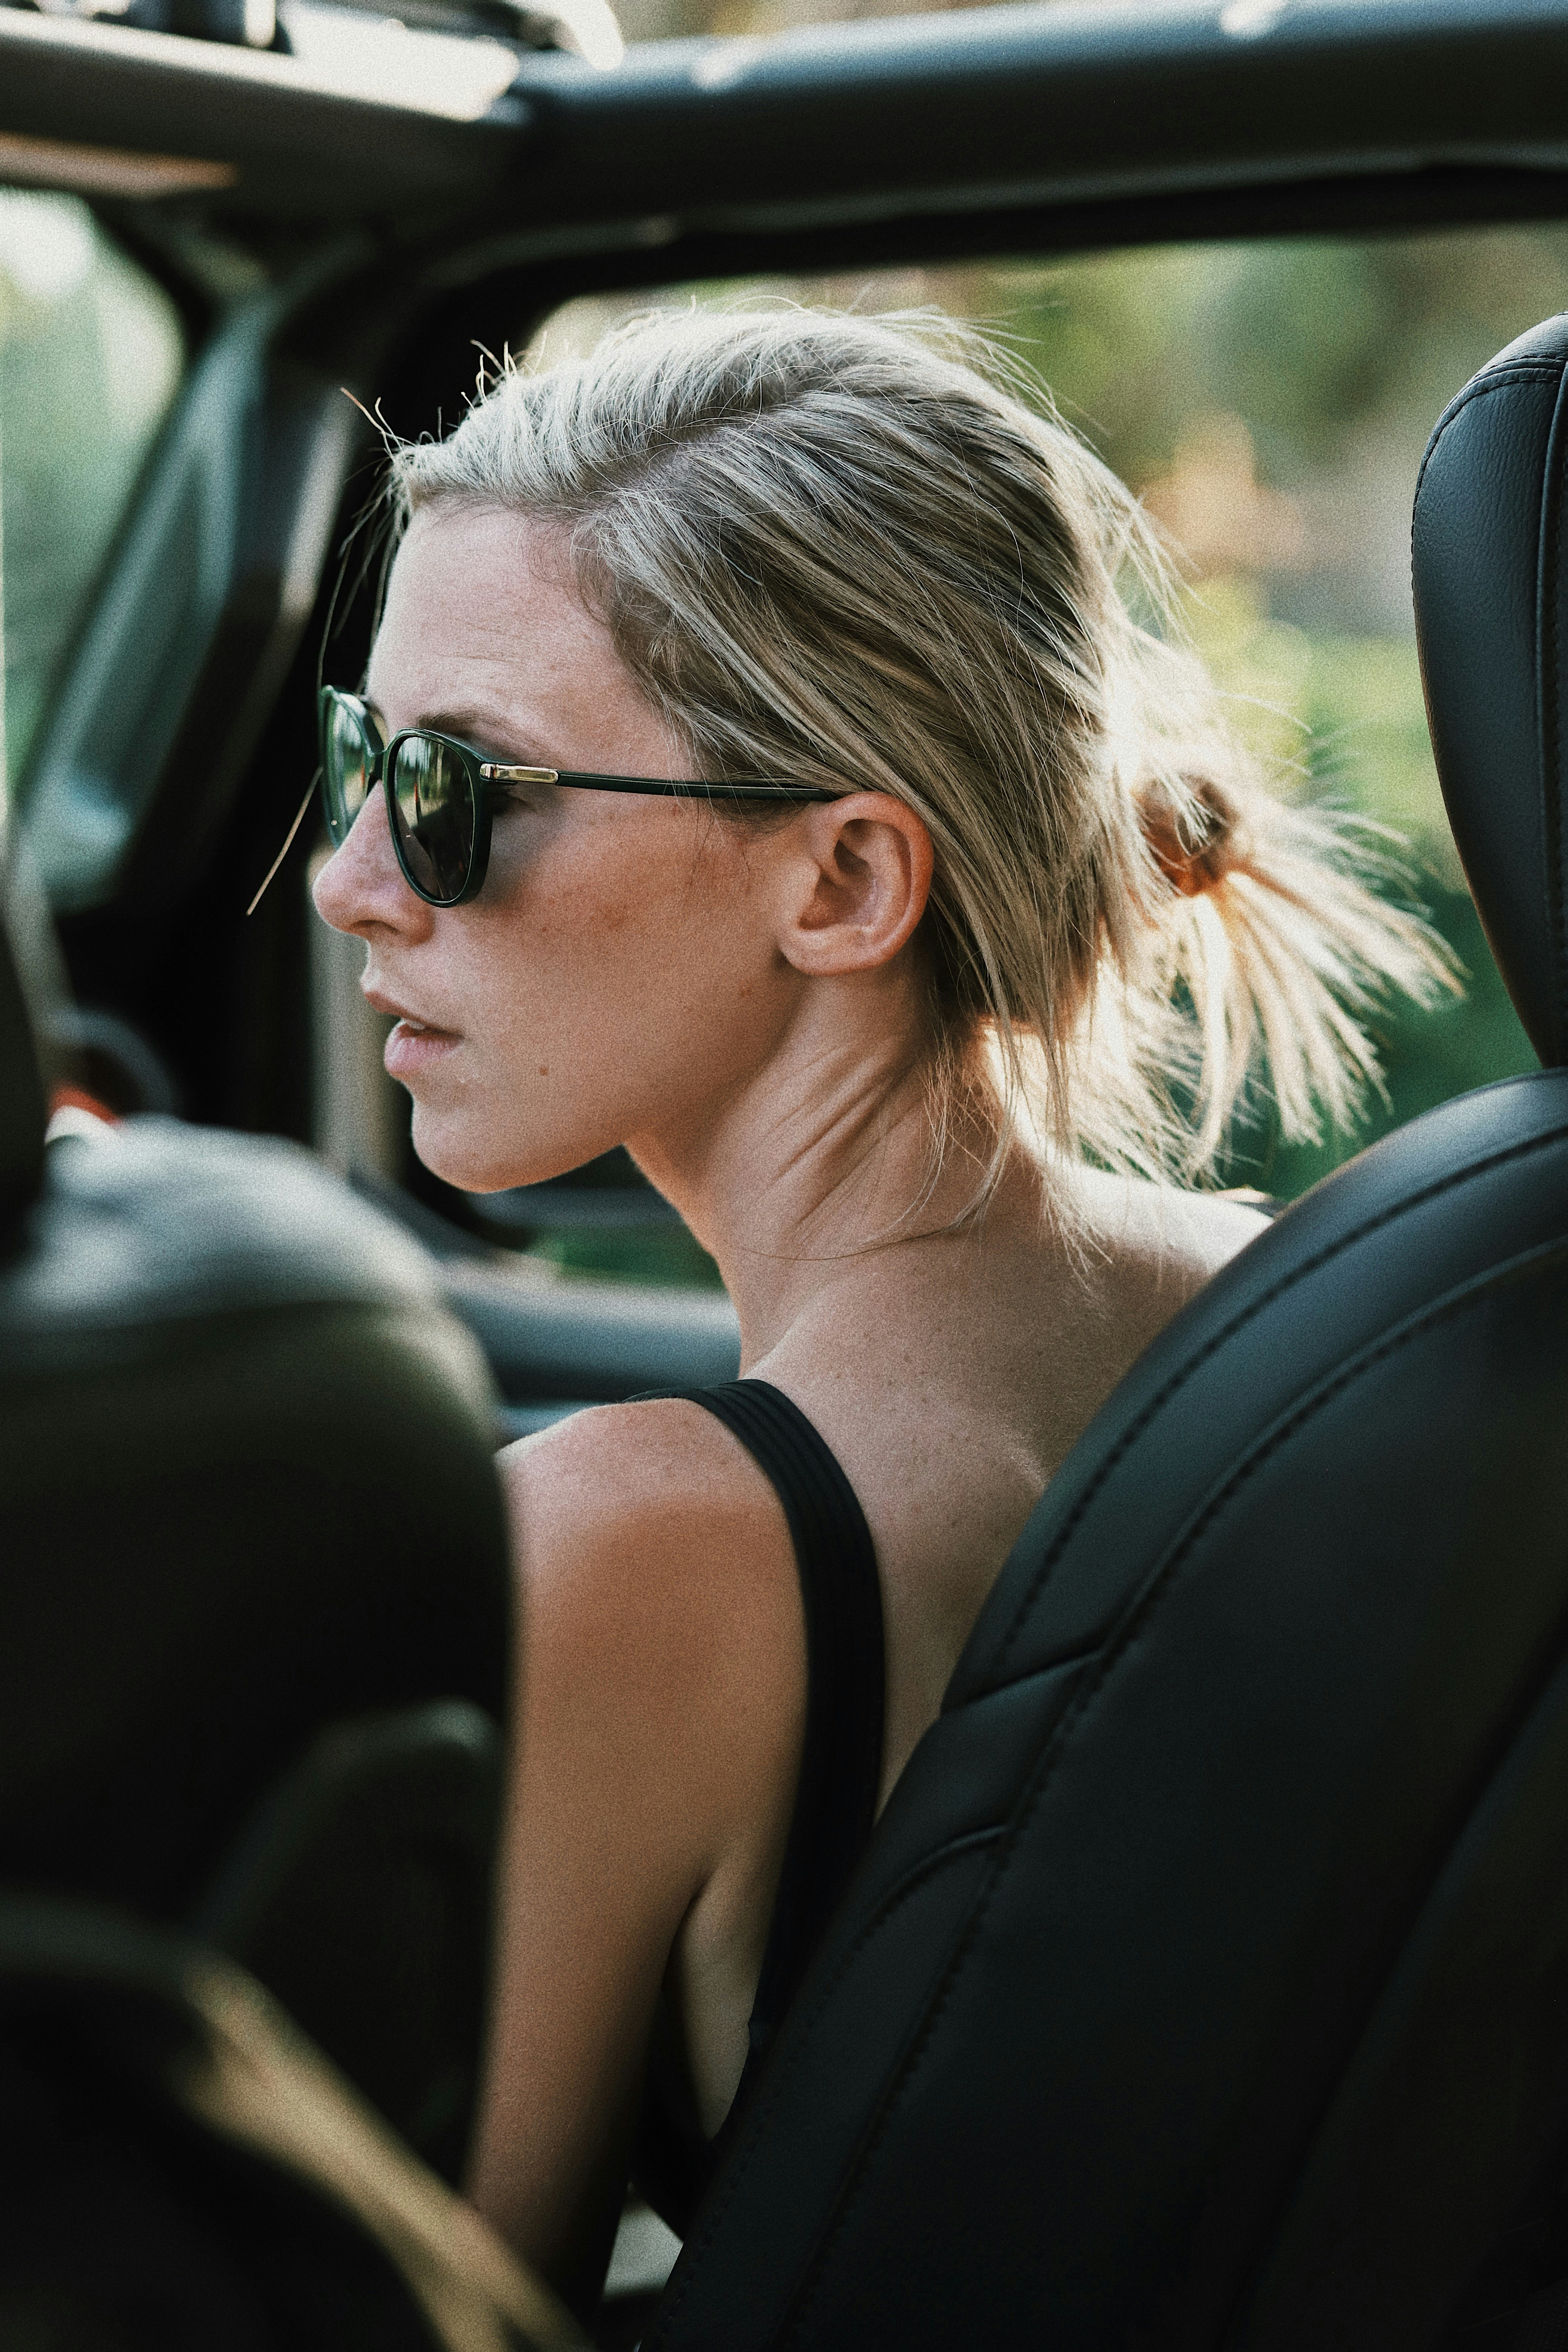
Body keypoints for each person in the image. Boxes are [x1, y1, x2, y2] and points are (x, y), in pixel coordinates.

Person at [311, 306, 1446, 2312]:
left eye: (453, 788)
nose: (351, 878)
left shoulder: (629, 1549)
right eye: (358, 758)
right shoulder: (1340, 1324)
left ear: (840, 882)